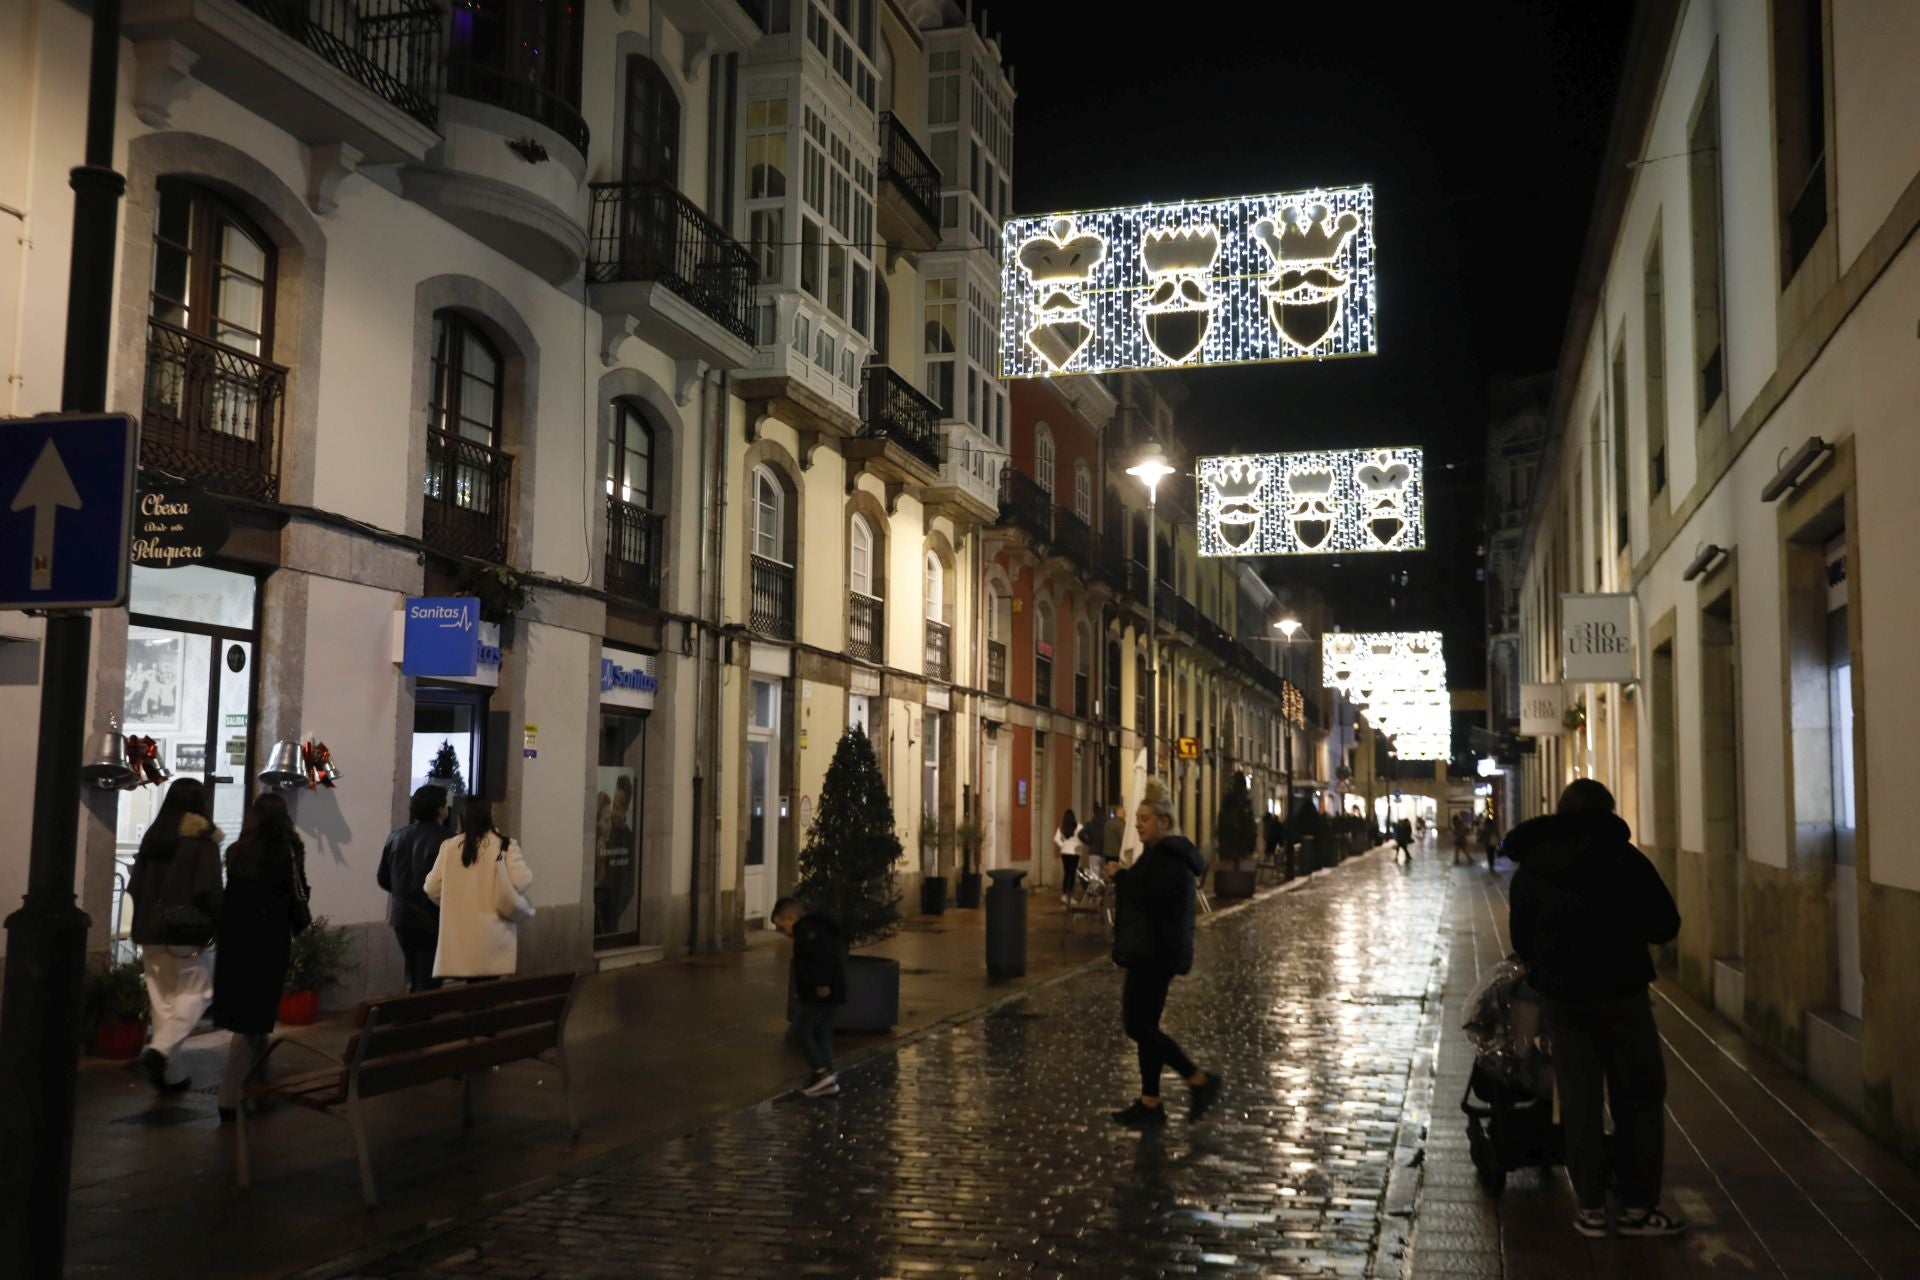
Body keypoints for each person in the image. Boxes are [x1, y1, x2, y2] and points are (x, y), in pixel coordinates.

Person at [1505, 778, 1684, 1239]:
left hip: (1563, 1000)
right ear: (1608, 813)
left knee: (1579, 1099)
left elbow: (1522, 939)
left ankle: (1589, 1208)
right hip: (1622, 994)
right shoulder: (1626, 862)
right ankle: (1637, 1208)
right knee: (1638, 1095)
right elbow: (1665, 924)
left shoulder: (1534, 866)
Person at [1106, 778, 1221, 1126]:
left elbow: (1148, 894)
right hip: (1153, 950)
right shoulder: (1160, 854)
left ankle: (1198, 1079)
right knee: (1147, 1027)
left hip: (1155, 953)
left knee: (1138, 1026)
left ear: (1164, 822)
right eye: (1137, 818)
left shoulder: (1168, 857)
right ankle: (1150, 1103)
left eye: (1145, 819)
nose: (1138, 825)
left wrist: (1120, 877)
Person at [211, 792, 311, 1122]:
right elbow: (298, 894)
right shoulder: (287, 851)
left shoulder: (237, 851)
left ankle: (259, 1084)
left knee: (252, 1014)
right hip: (269, 939)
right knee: (252, 1019)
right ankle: (229, 1097)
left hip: (235, 937)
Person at [128, 777, 224, 1094]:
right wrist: (218, 923)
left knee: (164, 1002)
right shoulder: (203, 841)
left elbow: (135, 886)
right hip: (187, 930)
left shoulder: (154, 839)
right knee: (198, 992)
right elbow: (208, 890)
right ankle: (159, 1051)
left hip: (150, 930)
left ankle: (172, 1075)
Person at [425, 799, 532, 980]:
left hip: (460, 933)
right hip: (495, 933)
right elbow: (522, 880)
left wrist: (453, 902)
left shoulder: (449, 846)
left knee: (471, 989)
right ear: (490, 816)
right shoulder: (505, 845)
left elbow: (432, 887)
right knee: (489, 987)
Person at [377, 784, 449, 992]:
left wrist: (402, 892)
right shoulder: (448, 840)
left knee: (414, 972)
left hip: (402, 917)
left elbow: (383, 878)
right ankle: (419, 1010)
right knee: (429, 978)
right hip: (432, 918)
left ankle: (413, 1005)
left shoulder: (395, 837)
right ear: (439, 809)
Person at [773, 897, 845, 1097]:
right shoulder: (816, 927)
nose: (784, 932)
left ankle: (822, 1074)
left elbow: (820, 957)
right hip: (831, 989)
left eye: (782, 927)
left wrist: (821, 984)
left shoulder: (807, 931)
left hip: (819, 992)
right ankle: (826, 1075)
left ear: (791, 918)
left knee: (802, 1032)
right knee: (821, 1032)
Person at [1053, 808, 1083, 904]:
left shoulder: (1062, 827)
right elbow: (1083, 837)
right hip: (1075, 852)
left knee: (1066, 874)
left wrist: (1063, 845)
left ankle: (1064, 894)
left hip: (1065, 852)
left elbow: (1056, 838)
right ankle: (1070, 896)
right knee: (1072, 874)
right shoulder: (1079, 826)